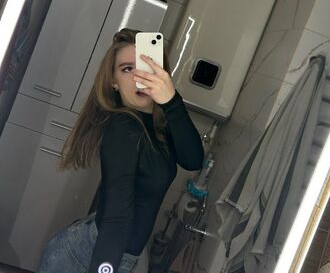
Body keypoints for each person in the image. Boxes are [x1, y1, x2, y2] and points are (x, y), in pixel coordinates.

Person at [37, 28, 204, 273]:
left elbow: (193, 160)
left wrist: (171, 101)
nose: (138, 76)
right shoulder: (124, 128)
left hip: (105, 248)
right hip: (85, 258)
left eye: (146, 66)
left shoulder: (159, 126)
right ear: (113, 81)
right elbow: (117, 215)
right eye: (127, 69)